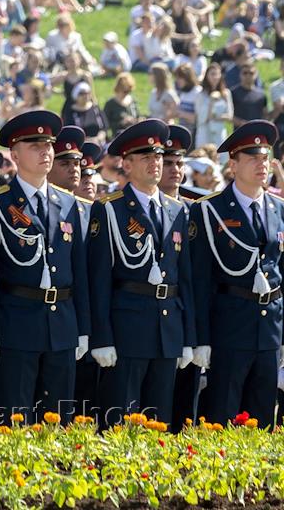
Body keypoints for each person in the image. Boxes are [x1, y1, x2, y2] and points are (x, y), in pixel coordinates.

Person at [0, 110, 90, 422]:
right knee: (16, 418)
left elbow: (79, 273)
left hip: (62, 325)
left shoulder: (69, 204)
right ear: (14, 153)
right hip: (16, 322)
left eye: (49, 145)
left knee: (59, 420)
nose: (45, 152)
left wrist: (83, 329)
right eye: (34, 145)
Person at [87, 119, 193, 428]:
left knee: (160, 422)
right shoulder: (110, 209)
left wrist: (188, 336)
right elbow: (99, 280)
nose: (155, 163)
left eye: (158, 156)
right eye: (146, 157)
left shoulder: (177, 210)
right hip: (127, 329)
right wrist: (102, 337)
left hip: (167, 328)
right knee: (120, 422)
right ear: (127, 164)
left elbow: (183, 278)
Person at [189, 121, 284, 427]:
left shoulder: (278, 209)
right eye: (253, 158)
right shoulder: (209, 210)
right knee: (223, 416)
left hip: (270, 328)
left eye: (265, 157)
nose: (263, 164)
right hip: (229, 327)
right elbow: (200, 282)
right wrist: (201, 338)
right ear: (233, 164)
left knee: (263, 416)